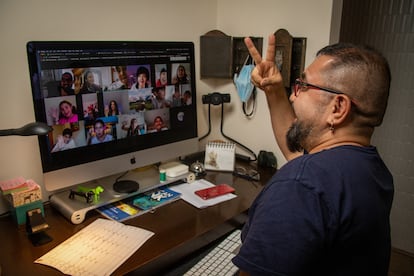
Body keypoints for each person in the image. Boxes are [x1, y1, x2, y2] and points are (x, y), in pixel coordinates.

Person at [232, 35, 393, 276]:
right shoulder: (371, 170)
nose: (293, 95)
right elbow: (299, 156)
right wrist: (273, 89)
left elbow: (303, 179)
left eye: (303, 86)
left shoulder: (300, 186)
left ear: (338, 107)